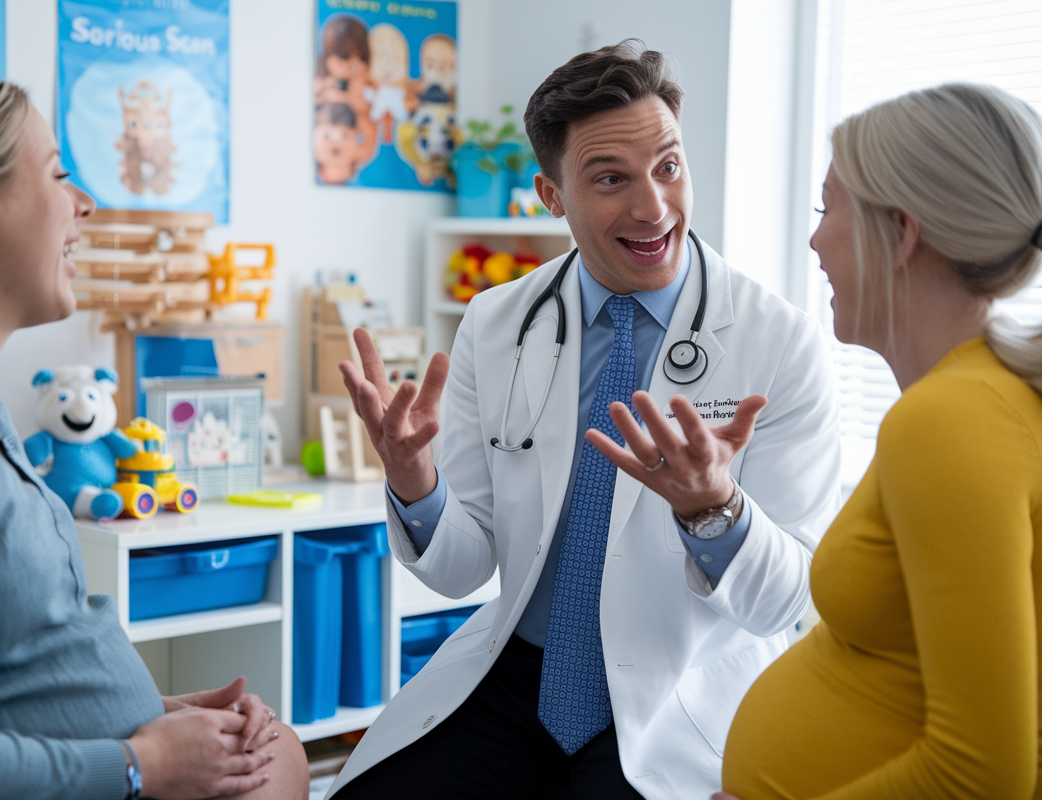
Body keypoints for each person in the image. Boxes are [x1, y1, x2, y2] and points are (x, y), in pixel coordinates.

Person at [327, 41, 842, 799]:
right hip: (517, 680)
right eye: (611, 179)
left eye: (668, 167)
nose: (653, 207)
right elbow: (464, 567)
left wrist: (716, 511)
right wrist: (417, 483)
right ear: (551, 194)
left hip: (677, 692)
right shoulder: (498, 320)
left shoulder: (778, 340)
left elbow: (791, 600)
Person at [0, 70, 308, 800]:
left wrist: (160, 722)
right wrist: (142, 764)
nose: (85, 204)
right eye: (59, 175)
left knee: (276, 747)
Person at [717, 83, 1042, 800]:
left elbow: (978, 775)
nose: (816, 239)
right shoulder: (978, 398)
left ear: (902, 232)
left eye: (828, 208)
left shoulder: (953, 421)